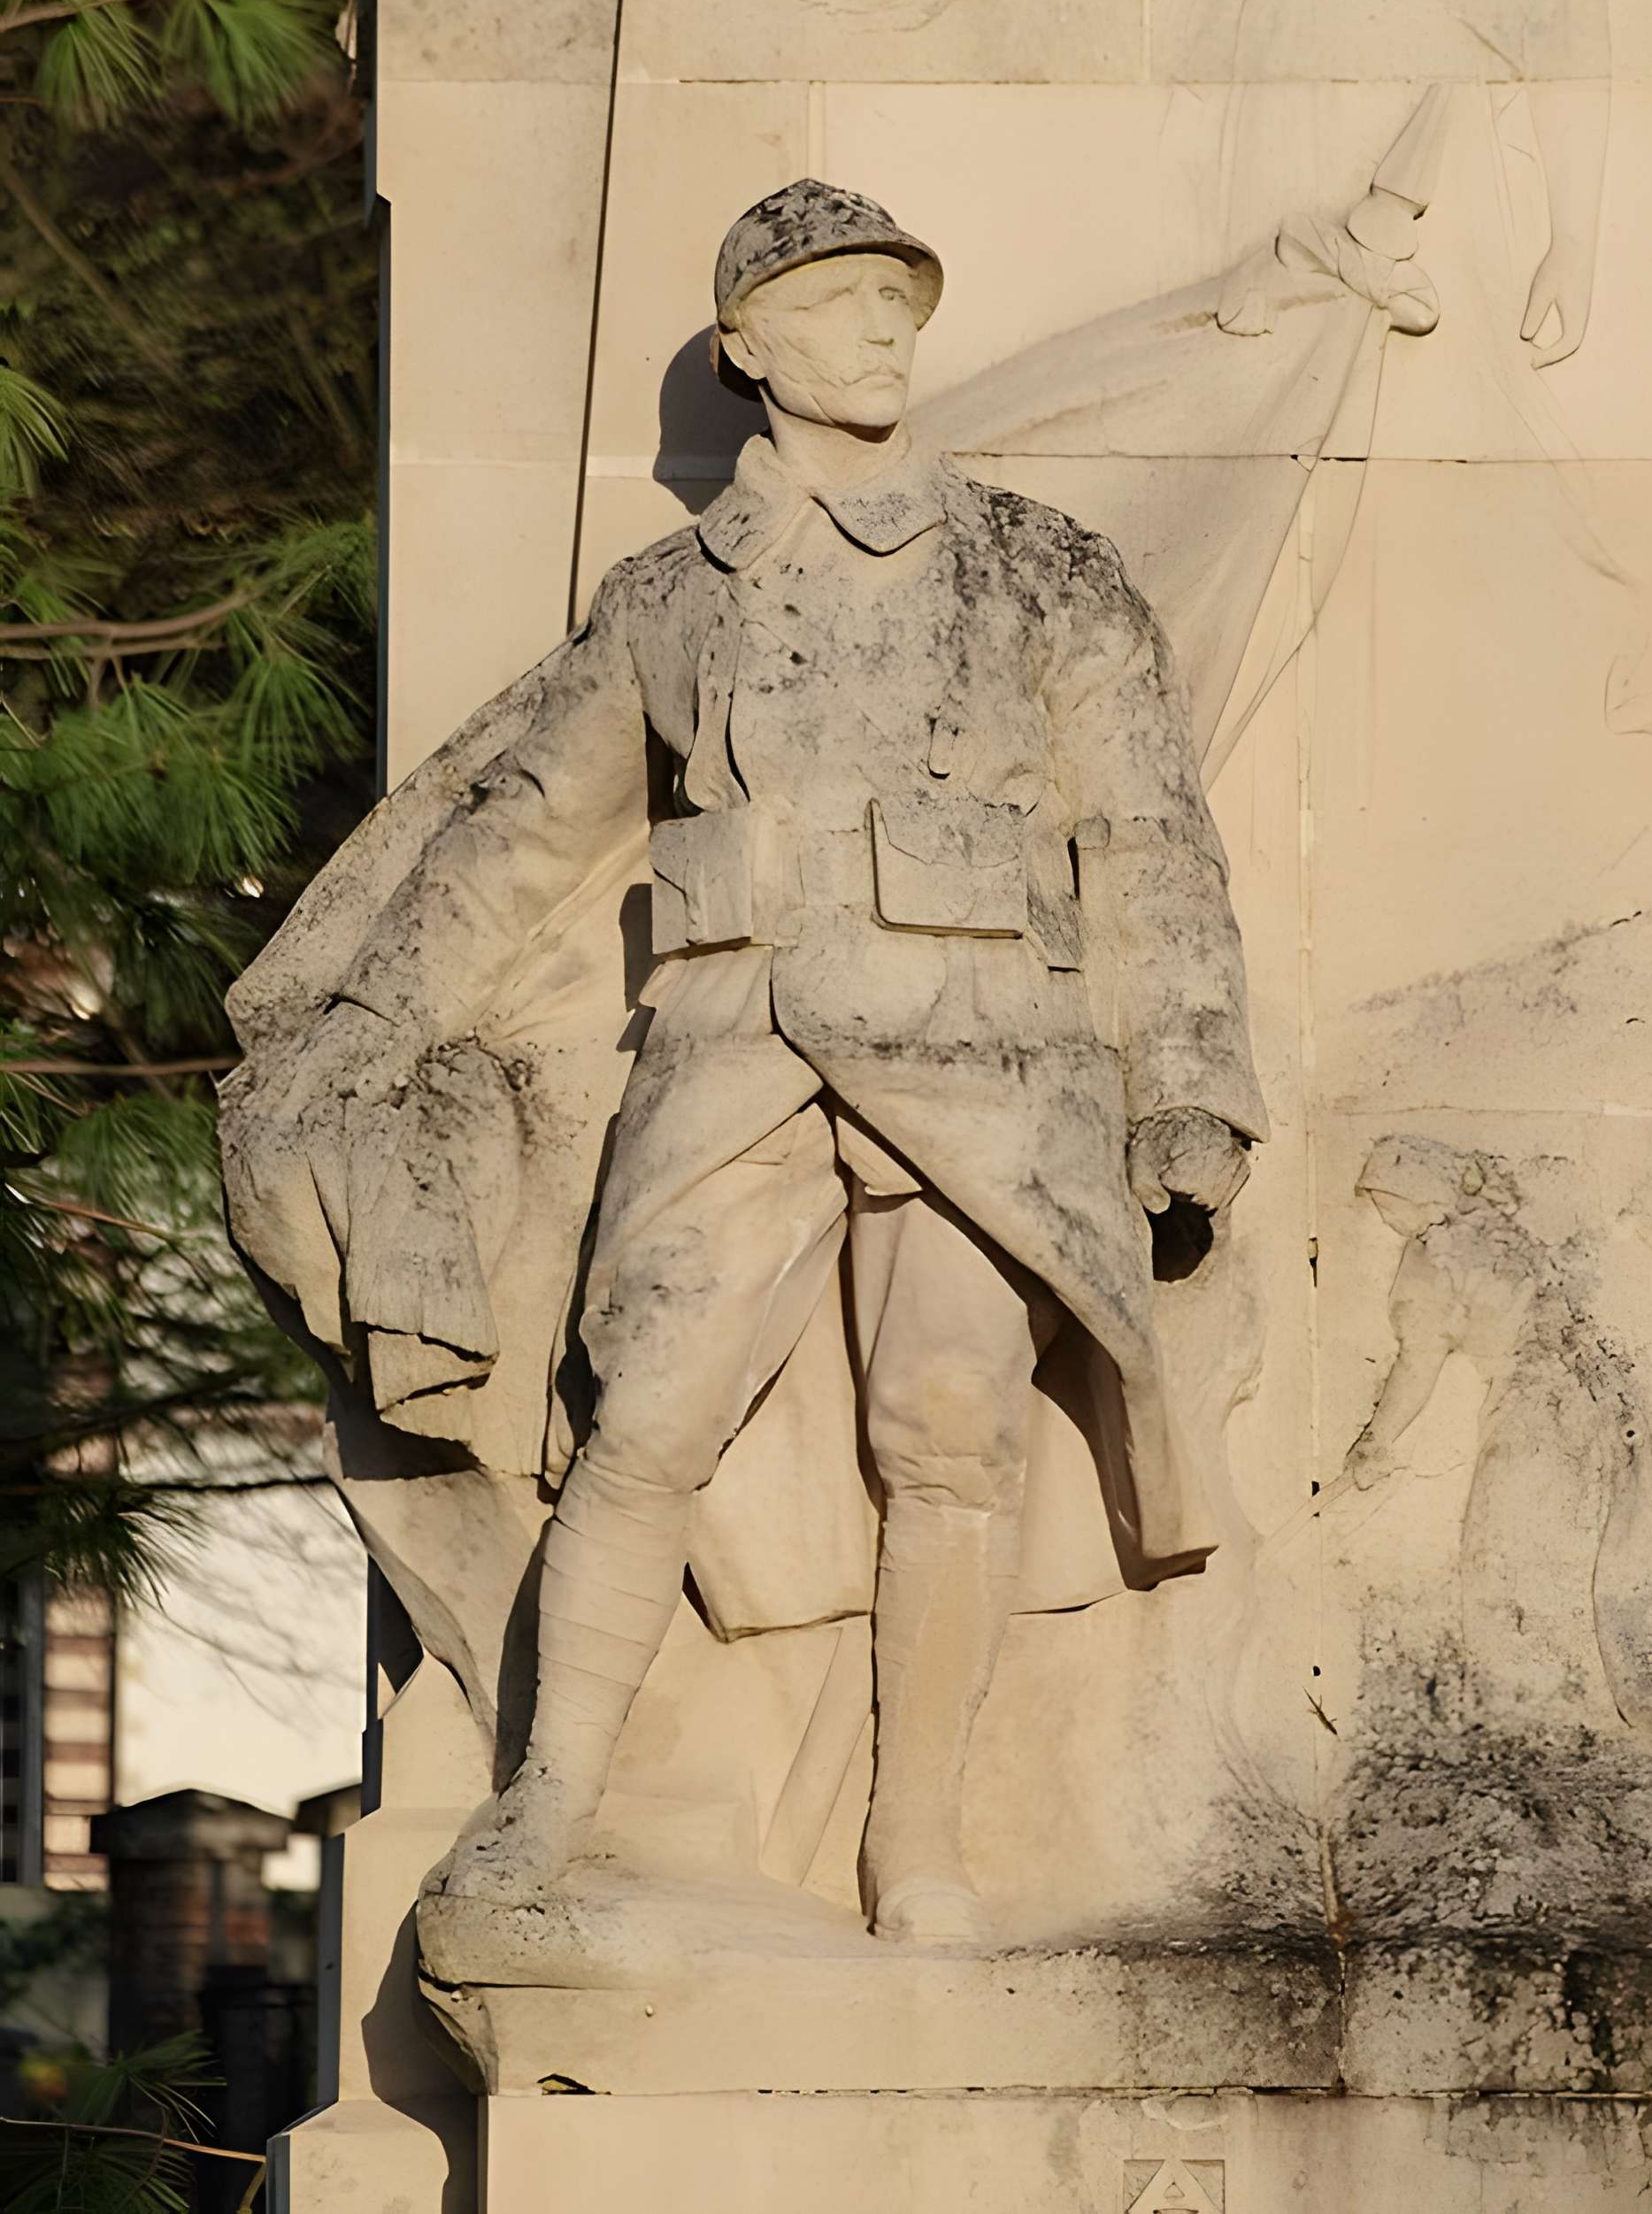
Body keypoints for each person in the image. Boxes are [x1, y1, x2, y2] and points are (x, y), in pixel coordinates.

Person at [233, 181, 1266, 1944]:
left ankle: (915, 1842)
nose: (883, 327)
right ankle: (548, 1793)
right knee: (643, 1417)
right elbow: (515, 841)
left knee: (946, 1430)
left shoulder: (1044, 566)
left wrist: (1188, 1086)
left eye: (897, 299)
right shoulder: (668, 596)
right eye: (839, 298)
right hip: (734, 1053)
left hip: (987, 1055)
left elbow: (1154, 841)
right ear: (746, 347)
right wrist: (368, 1024)